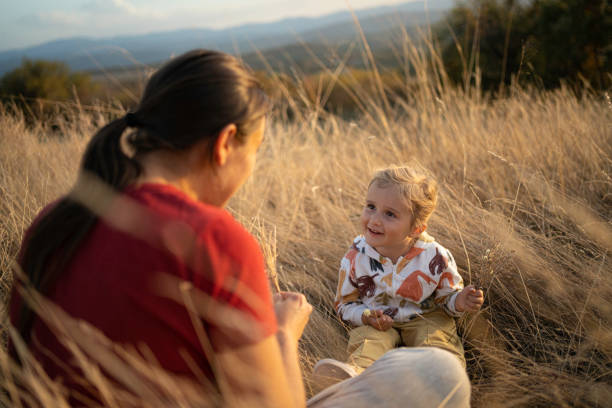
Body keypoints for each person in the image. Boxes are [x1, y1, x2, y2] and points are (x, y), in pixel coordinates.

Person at [9, 50, 471, 408]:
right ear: (226, 143)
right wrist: (283, 334)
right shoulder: (210, 240)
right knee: (437, 373)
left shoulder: (55, 221)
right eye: (256, 151)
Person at [314, 166, 484, 386]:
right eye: (371, 207)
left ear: (415, 229)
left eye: (390, 214)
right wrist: (365, 316)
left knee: (437, 339)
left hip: (425, 316)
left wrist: (459, 300)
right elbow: (345, 304)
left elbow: (446, 299)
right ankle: (357, 377)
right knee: (368, 340)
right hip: (379, 320)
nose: (374, 220)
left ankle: (443, 379)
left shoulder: (435, 256)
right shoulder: (356, 256)